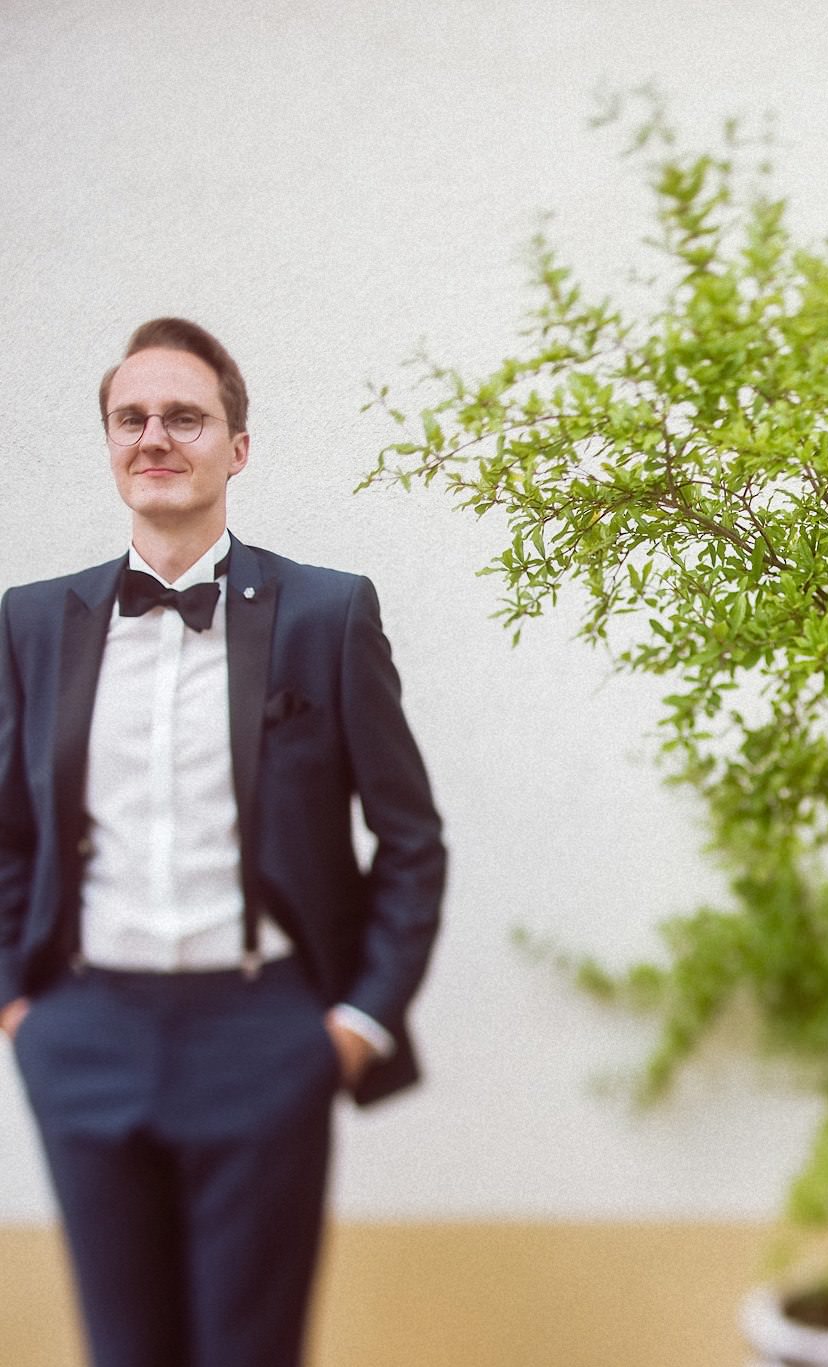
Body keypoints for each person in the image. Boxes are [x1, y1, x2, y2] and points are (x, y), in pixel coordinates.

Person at [0, 318, 446, 1367]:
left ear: (236, 447)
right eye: (132, 418)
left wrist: (354, 1021)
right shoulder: (30, 622)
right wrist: (21, 1007)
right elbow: (7, 835)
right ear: (111, 443)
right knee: (125, 1347)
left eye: (185, 416)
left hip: (264, 1035)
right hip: (85, 1032)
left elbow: (410, 837)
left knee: (250, 1348)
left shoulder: (325, 613)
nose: (156, 436)